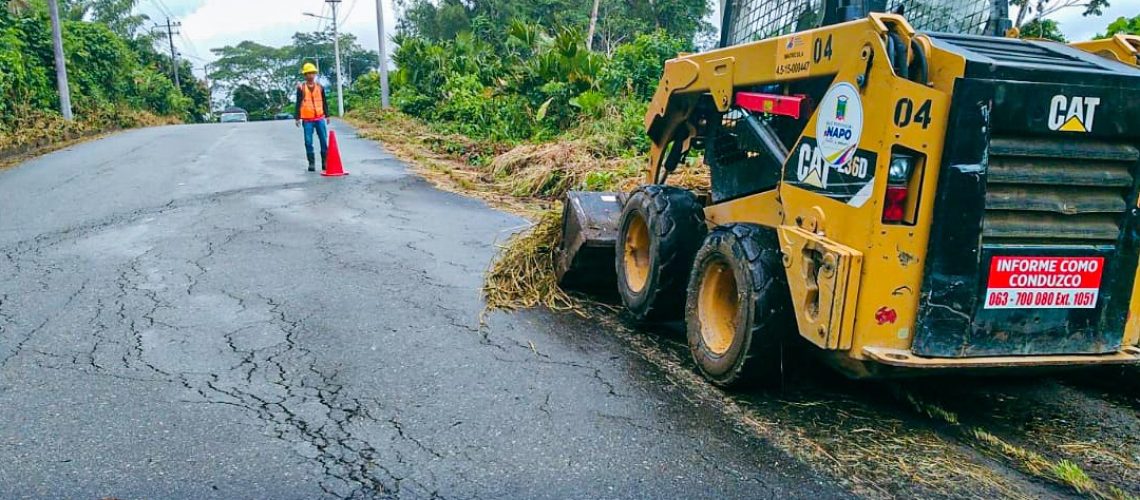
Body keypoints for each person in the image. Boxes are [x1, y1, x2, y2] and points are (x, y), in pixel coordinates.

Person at [295, 63, 330, 172]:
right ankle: (311, 163)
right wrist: (297, 118)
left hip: (320, 118)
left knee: (324, 140)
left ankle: (325, 162)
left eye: (312, 73)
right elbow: (298, 103)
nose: (311, 75)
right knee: (308, 142)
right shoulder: (301, 88)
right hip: (307, 120)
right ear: (305, 75)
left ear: (315, 74)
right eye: (308, 73)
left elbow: (324, 102)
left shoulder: (320, 87)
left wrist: (327, 115)